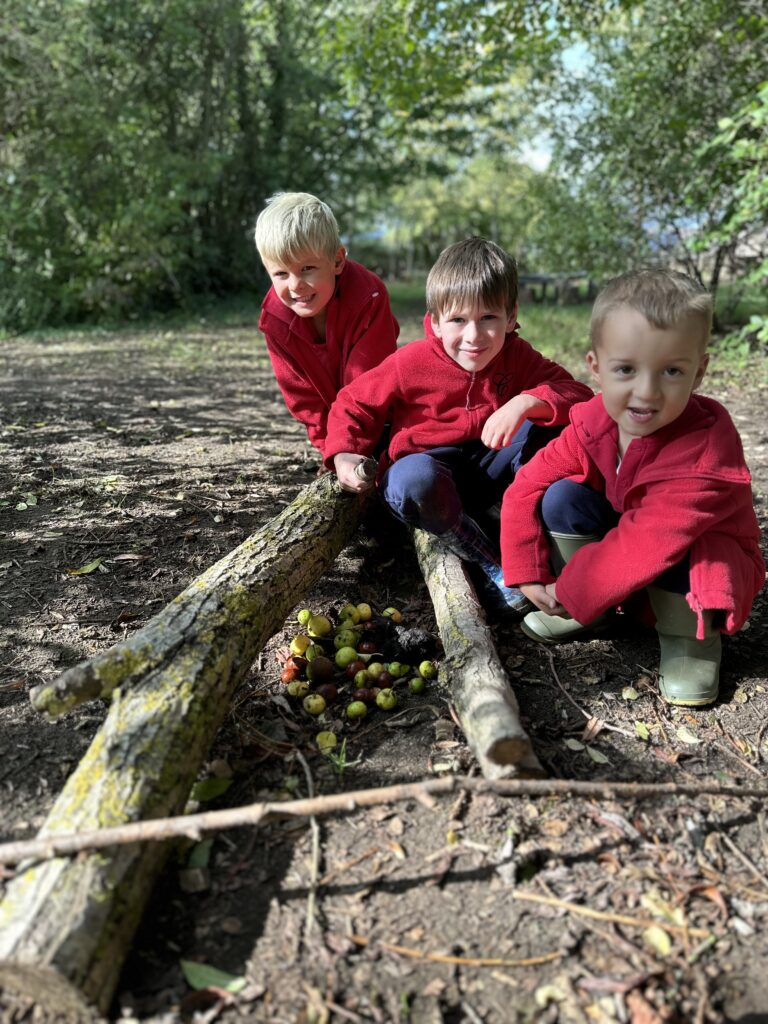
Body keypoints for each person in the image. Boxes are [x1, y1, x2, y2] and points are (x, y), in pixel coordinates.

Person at [500, 268, 765, 705]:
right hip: (621, 568)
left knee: (700, 549)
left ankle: (690, 642)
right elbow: (526, 484)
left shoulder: (705, 451)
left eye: (672, 371)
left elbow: (645, 542)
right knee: (564, 495)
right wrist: (526, 572)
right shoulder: (594, 421)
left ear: (699, 373)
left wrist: (572, 591)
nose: (646, 392)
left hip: (687, 568)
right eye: (625, 369)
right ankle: (596, 612)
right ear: (596, 367)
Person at [324, 237, 594, 614]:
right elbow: (354, 402)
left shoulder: (517, 356)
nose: (473, 336)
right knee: (413, 480)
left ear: (511, 316)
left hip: (492, 467)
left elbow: (578, 394)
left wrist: (526, 401)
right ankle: (489, 559)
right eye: (457, 320)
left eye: (488, 319)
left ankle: (534, 531)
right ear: (435, 321)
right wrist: (343, 454)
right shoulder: (412, 362)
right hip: (432, 474)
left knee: (553, 430)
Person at [254, 192, 399, 458]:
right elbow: (302, 397)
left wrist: (351, 448)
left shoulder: (368, 297)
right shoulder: (275, 318)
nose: (296, 285)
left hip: (384, 417)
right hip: (335, 431)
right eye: (281, 274)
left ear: (337, 261)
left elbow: (367, 383)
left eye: (307, 268)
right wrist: (329, 450)